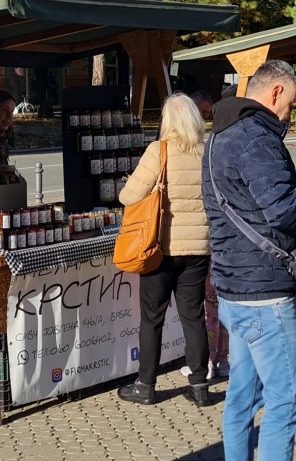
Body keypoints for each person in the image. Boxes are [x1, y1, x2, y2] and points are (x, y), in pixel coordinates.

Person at [202, 59, 296, 460]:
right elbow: (283, 212)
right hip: (263, 293)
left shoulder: (220, 135)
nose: (290, 115)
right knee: (284, 402)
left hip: (233, 286)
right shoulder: (257, 139)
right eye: (292, 105)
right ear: (275, 91)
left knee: (242, 397)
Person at [117, 92, 212, 407]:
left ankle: (145, 385)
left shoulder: (159, 151)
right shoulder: (207, 152)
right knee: (193, 316)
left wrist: (139, 185)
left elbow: (128, 197)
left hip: (160, 248)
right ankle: (199, 385)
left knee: (152, 318)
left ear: (167, 121)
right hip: (198, 248)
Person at [180, 90, 231, 381]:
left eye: (208, 114)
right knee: (217, 303)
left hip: (208, 240)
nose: (204, 118)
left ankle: (209, 360)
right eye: (201, 113)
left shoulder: (200, 149)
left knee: (210, 305)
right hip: (219, 238)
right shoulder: (216, 148)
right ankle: (220, 358)